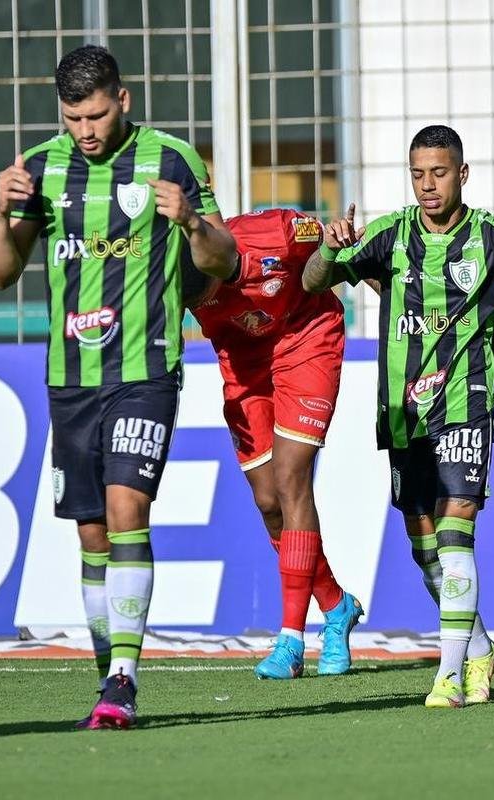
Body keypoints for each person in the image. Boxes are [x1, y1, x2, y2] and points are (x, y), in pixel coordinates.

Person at [0, 45, 236, 729]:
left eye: (95, 115)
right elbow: (1, 272)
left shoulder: (173, 160)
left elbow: (224, 260)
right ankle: (108, 672)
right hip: (69, 379)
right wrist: (2, 214)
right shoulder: (39, 168)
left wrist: (188, 220)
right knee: (91, 532)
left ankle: (123, 677)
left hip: (144, 370)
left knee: (128, 509)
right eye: (73, 118)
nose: (85, 131)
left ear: (122, 100)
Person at [303, 124, 494, 708]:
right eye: (417, 174)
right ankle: (480, 648)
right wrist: (330, 248)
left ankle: (449, 675)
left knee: (457, 527)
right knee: (423, 543)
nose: (427, 186)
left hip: (466, 402)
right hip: (404, 409)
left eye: (438, 173)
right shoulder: (389, 235)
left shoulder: (492, 235)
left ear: (462, 174)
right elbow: (314, 281)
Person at [188, 208, 364, 679]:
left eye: (205, 289)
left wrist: (387, 286)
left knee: (291, 479)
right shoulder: (173, 277)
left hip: (306, 340)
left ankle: (290, 638)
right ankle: (336, 604)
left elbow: (335, 260)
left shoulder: (278, 232)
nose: (203, 302)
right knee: (268, 502)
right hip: (244, 369)